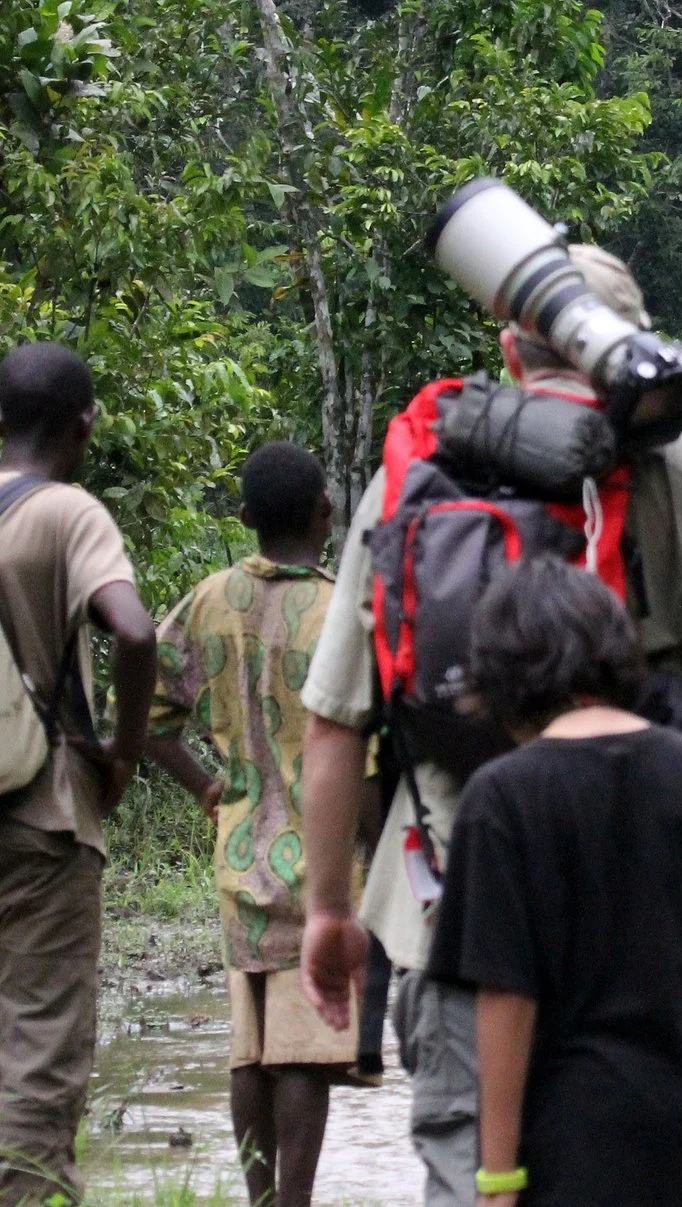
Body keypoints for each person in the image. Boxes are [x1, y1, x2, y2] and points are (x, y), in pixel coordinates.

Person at [291, 245, 682, 1205]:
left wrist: (329, 909)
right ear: (626, 345)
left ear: (510, 346)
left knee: (477, 1179)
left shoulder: (417, 471)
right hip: (658, 930)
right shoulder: (676, 467)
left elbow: (334, 725)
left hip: (453, 912)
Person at [429, 559, 682, 1207]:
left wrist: (497, 1179)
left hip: (571, 1146)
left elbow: (507, 997)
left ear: (499, 676)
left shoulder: (500, 797)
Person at [144, 440, 366, 1207]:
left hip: (239, 849)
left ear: (243, 519)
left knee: (251, 1042)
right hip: (324, 854)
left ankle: (260, 1198)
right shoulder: (345, 609)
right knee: (303, 1052)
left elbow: (146, 714)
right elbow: (373, 747)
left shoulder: (209, 599)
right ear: (326, 512)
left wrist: (207, 784)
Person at [0, 341, 156, 1205]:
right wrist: (124, 753)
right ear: (85, 424)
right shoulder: (68, 512)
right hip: (42, 813)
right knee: (41, 1046)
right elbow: (133, 630)